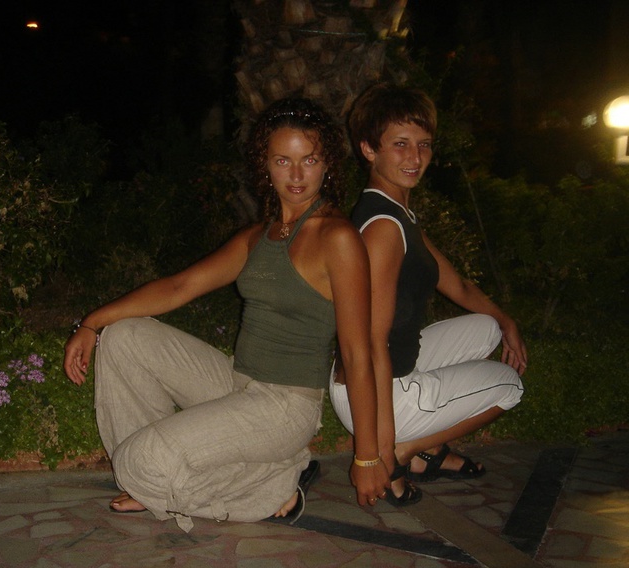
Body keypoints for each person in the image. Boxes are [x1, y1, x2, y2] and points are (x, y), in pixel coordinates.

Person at [63, 98, 391, 532]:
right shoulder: (259, 236)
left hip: (284, 407)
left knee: (137, 462)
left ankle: (269, 484)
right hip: (236, 382)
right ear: (265, 165)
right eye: (283, 161)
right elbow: (179, 287)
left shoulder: (338, 239)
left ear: (327, 163)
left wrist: (367, 456)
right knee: (124, 336)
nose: (296, 175)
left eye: (309, 160)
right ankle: (159, 475)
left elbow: (357, 351)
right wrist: (93, 322)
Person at [329, 83, 527, 503]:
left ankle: (421, 444)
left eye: (424, 144)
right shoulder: (384, 229)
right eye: (400, 144)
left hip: (382, 373)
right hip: (374, 395)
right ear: (368, 149)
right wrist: (378, 452)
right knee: (510, 386)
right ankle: (410, 449)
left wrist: (507, 321)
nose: (415, 158)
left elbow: (457, 285)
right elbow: (372, 343)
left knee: (487, 328)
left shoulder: (398, 212)